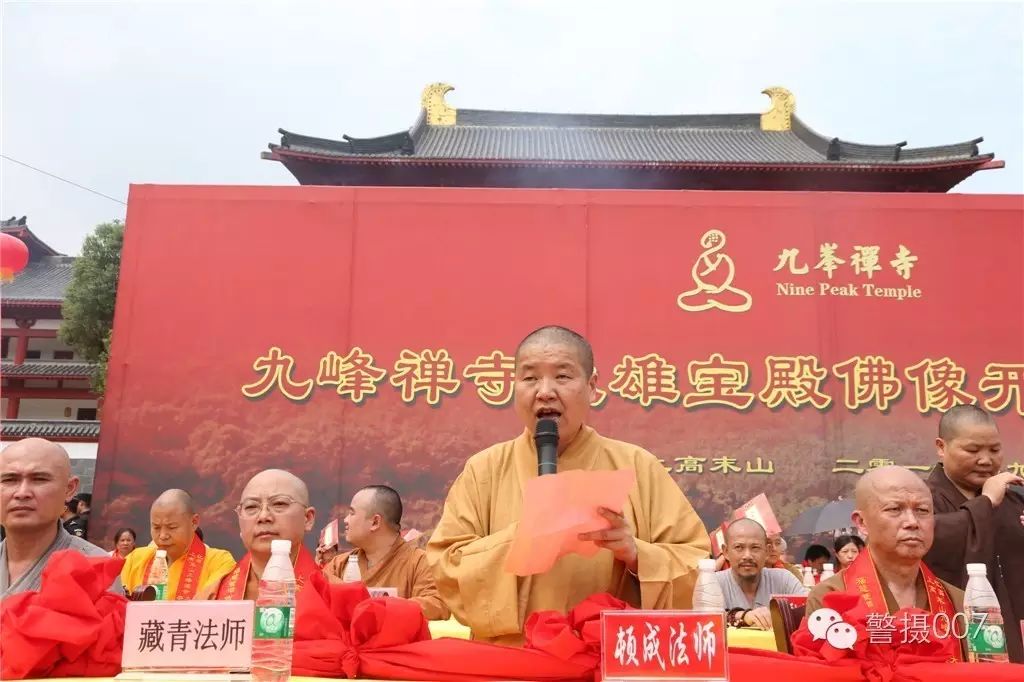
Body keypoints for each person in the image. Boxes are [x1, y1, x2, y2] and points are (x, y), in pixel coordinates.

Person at [427, 326, 711, 646]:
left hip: (606, 660)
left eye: (562, 377)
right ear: (515, 386)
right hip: (511, 663)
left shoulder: (637, 466)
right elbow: (446, 566)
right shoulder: (484, 470)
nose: (545, 391)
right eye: (530, 378)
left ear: (591, 387)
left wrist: (637, 556)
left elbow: (698, 565)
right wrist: (522, 538)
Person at [924, 405, 1023, 663]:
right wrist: (986, 502)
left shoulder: (1013, 500)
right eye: (972, 450)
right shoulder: (922, 499)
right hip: (952, 633)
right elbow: (930, 541)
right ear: (941, 447)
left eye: (994, 449)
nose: (986, 460)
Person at [807, 467, 964, 623]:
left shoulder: (958, 602)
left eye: (922, 510)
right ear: (862, 522)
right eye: (895, 509)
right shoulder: (830, 597)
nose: (912, 522)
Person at [0, 438, 120, 596]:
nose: (22, 493)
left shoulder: (95, 569)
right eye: (9, 480)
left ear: (70, 489)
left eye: (39, 479)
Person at [324, 485, 449, 620]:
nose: (346, 520)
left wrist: (379, 608)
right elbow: (318, 595)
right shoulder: (339, 564)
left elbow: (437, 605)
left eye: (352, 513)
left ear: (375, 522)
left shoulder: (420, 562)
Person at [199, 469, 319, 600]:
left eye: (279, 503)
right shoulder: (210, 598)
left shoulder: (335, 596)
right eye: (251, 507)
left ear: (307, 518)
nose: (263, 516)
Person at [121, 489, 235, 600]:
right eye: (156, 527)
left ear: (194, 522)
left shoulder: (219, 562)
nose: (163, 536)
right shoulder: (134, 560)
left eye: (172, 527)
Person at [715, 519, 807, 629]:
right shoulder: (713, 583)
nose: (747, 556)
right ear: (725, 552)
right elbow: (706, 621)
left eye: (755, 548)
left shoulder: (784, 579)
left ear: (767, 551)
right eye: (739, 547)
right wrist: (742, 616)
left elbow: (809, 614)